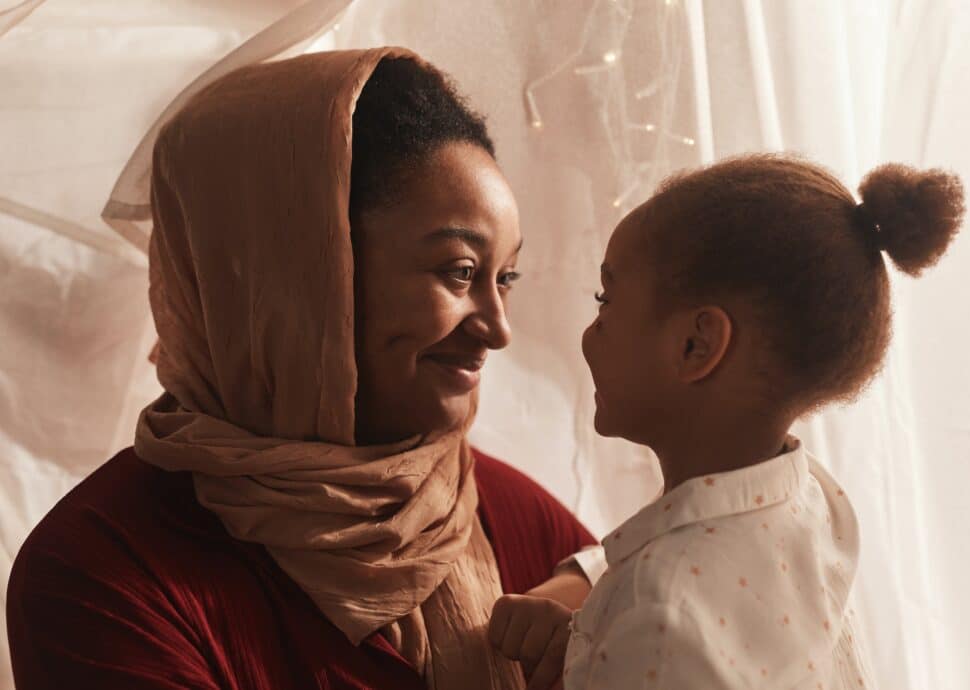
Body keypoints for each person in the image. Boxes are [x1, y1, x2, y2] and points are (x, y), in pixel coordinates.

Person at [6, 48, 597, 690]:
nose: (497, 329)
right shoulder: (105, 569)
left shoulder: (532, 528)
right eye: (459, 272)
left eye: (504, 278)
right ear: (295, 274)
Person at [489, 154, 965, 689]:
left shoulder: (661, 615)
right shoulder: (813, 500)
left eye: (606, 300)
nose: (589, 332)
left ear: (697, 346)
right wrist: (588, 637)